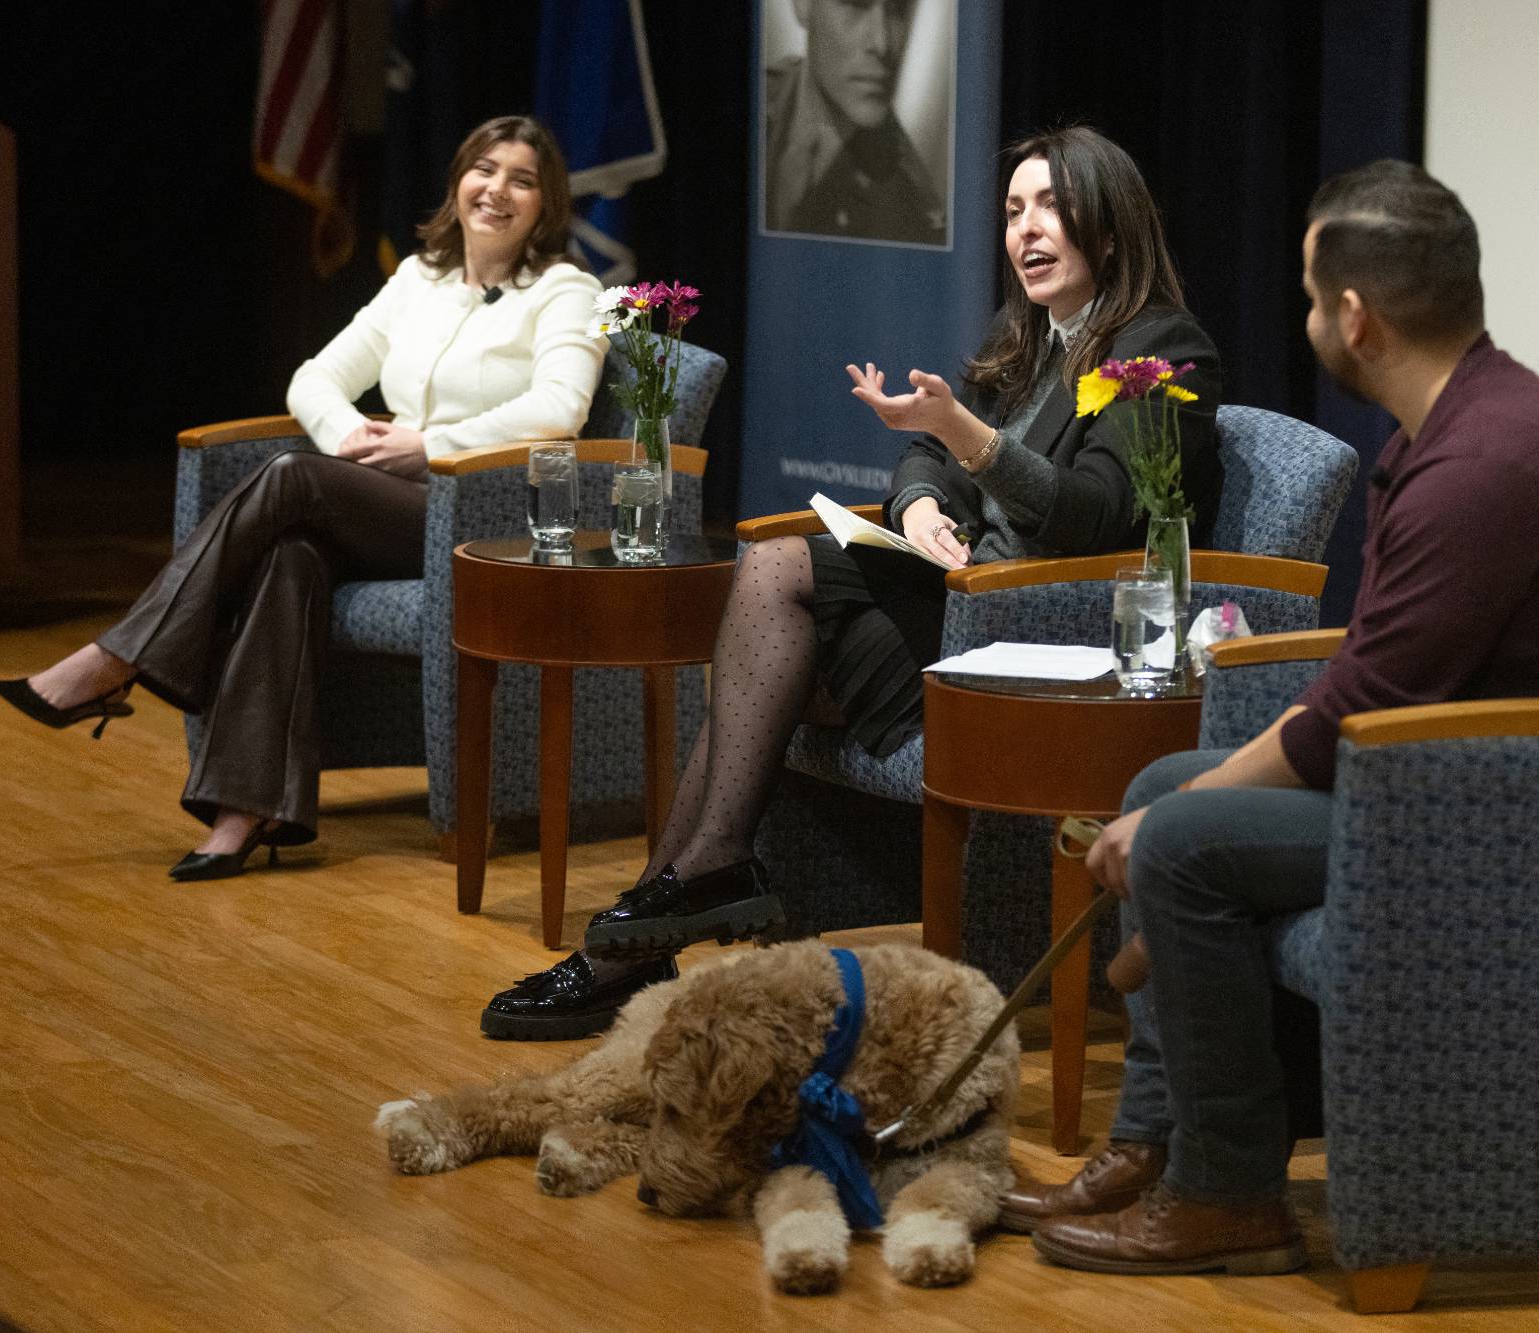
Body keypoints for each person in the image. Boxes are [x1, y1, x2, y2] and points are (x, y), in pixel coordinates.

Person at [1002, 161, 1539, 1276]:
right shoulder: (1459, 419)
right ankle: (1153, 1146)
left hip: (1518, 818)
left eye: (1309, 298)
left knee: (1185, 837)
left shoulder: (1480, 464)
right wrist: (1185, 796)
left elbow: (1369, 703)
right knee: (1164, 792)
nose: (1305, 320)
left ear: (1355, 316)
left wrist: (1191, 810)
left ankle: (1229, 1195)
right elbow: (1374, 672)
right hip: (1441, 774)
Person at [482, 125, 1224, 1040]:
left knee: (778, 584)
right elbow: (929, 451)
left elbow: (1094, 514)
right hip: (961, 605)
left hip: (1046, 633)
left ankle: (655, 922)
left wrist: (970, 439)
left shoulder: (1164, 348)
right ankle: (660, 917)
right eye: (1012, 211)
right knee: (764, 647)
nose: (1026, 231)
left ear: (1108, 229)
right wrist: (916, 503)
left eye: (1050, 209)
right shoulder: (1031, 334)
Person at [0, 116, 605, 880]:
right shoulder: (420, 280)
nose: (498, 190)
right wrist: (352, 436)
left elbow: (559, 410)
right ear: (457, 183)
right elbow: (314, 380)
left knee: (290, 477)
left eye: (522, 179)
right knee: (291, 554)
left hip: (486, 511)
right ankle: (247, 811)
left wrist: (428, 445)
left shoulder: (566, 291)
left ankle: (119, 657)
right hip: (387, 498)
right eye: (485, 169)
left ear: (546, 206)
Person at [763, 0, 946, 245]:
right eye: (856, 5)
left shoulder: (912, 217)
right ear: (803, 5)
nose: (882, 42)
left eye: (899, 10)